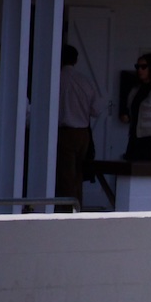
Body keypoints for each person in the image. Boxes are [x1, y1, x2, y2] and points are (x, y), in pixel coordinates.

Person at [56, 43, 101, 210]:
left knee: (65, 175)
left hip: (63, 132)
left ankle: (66, 210)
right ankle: (77, 208)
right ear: (75, 60)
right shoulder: (85, 81)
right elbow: (96, 110)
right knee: (78, 174)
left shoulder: (55, 79)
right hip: (83, 133)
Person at [120, 53, 151, 161]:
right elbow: (133, 111)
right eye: (137, 67)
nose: (140, 70)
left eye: (143, 67)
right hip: (135, 140)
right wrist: (126, 115)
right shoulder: (135, 90)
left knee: (149, 175)